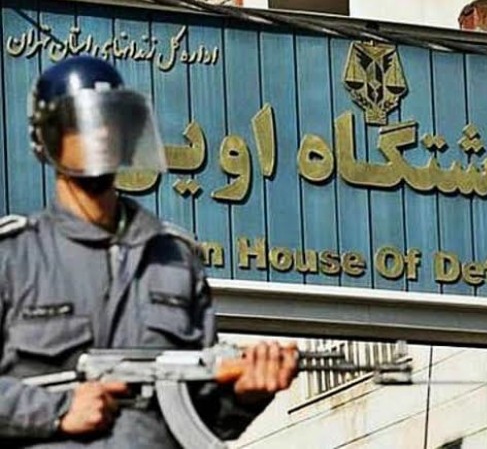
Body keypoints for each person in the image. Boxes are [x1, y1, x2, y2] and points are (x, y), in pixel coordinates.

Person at [0, 56, 298, 447]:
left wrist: (245, 396)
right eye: (82, 123)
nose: (100, 134)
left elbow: (203, 419)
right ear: (48, 138)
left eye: (110, 121)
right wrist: (56, 410)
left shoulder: (175, 259)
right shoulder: (14, 257)